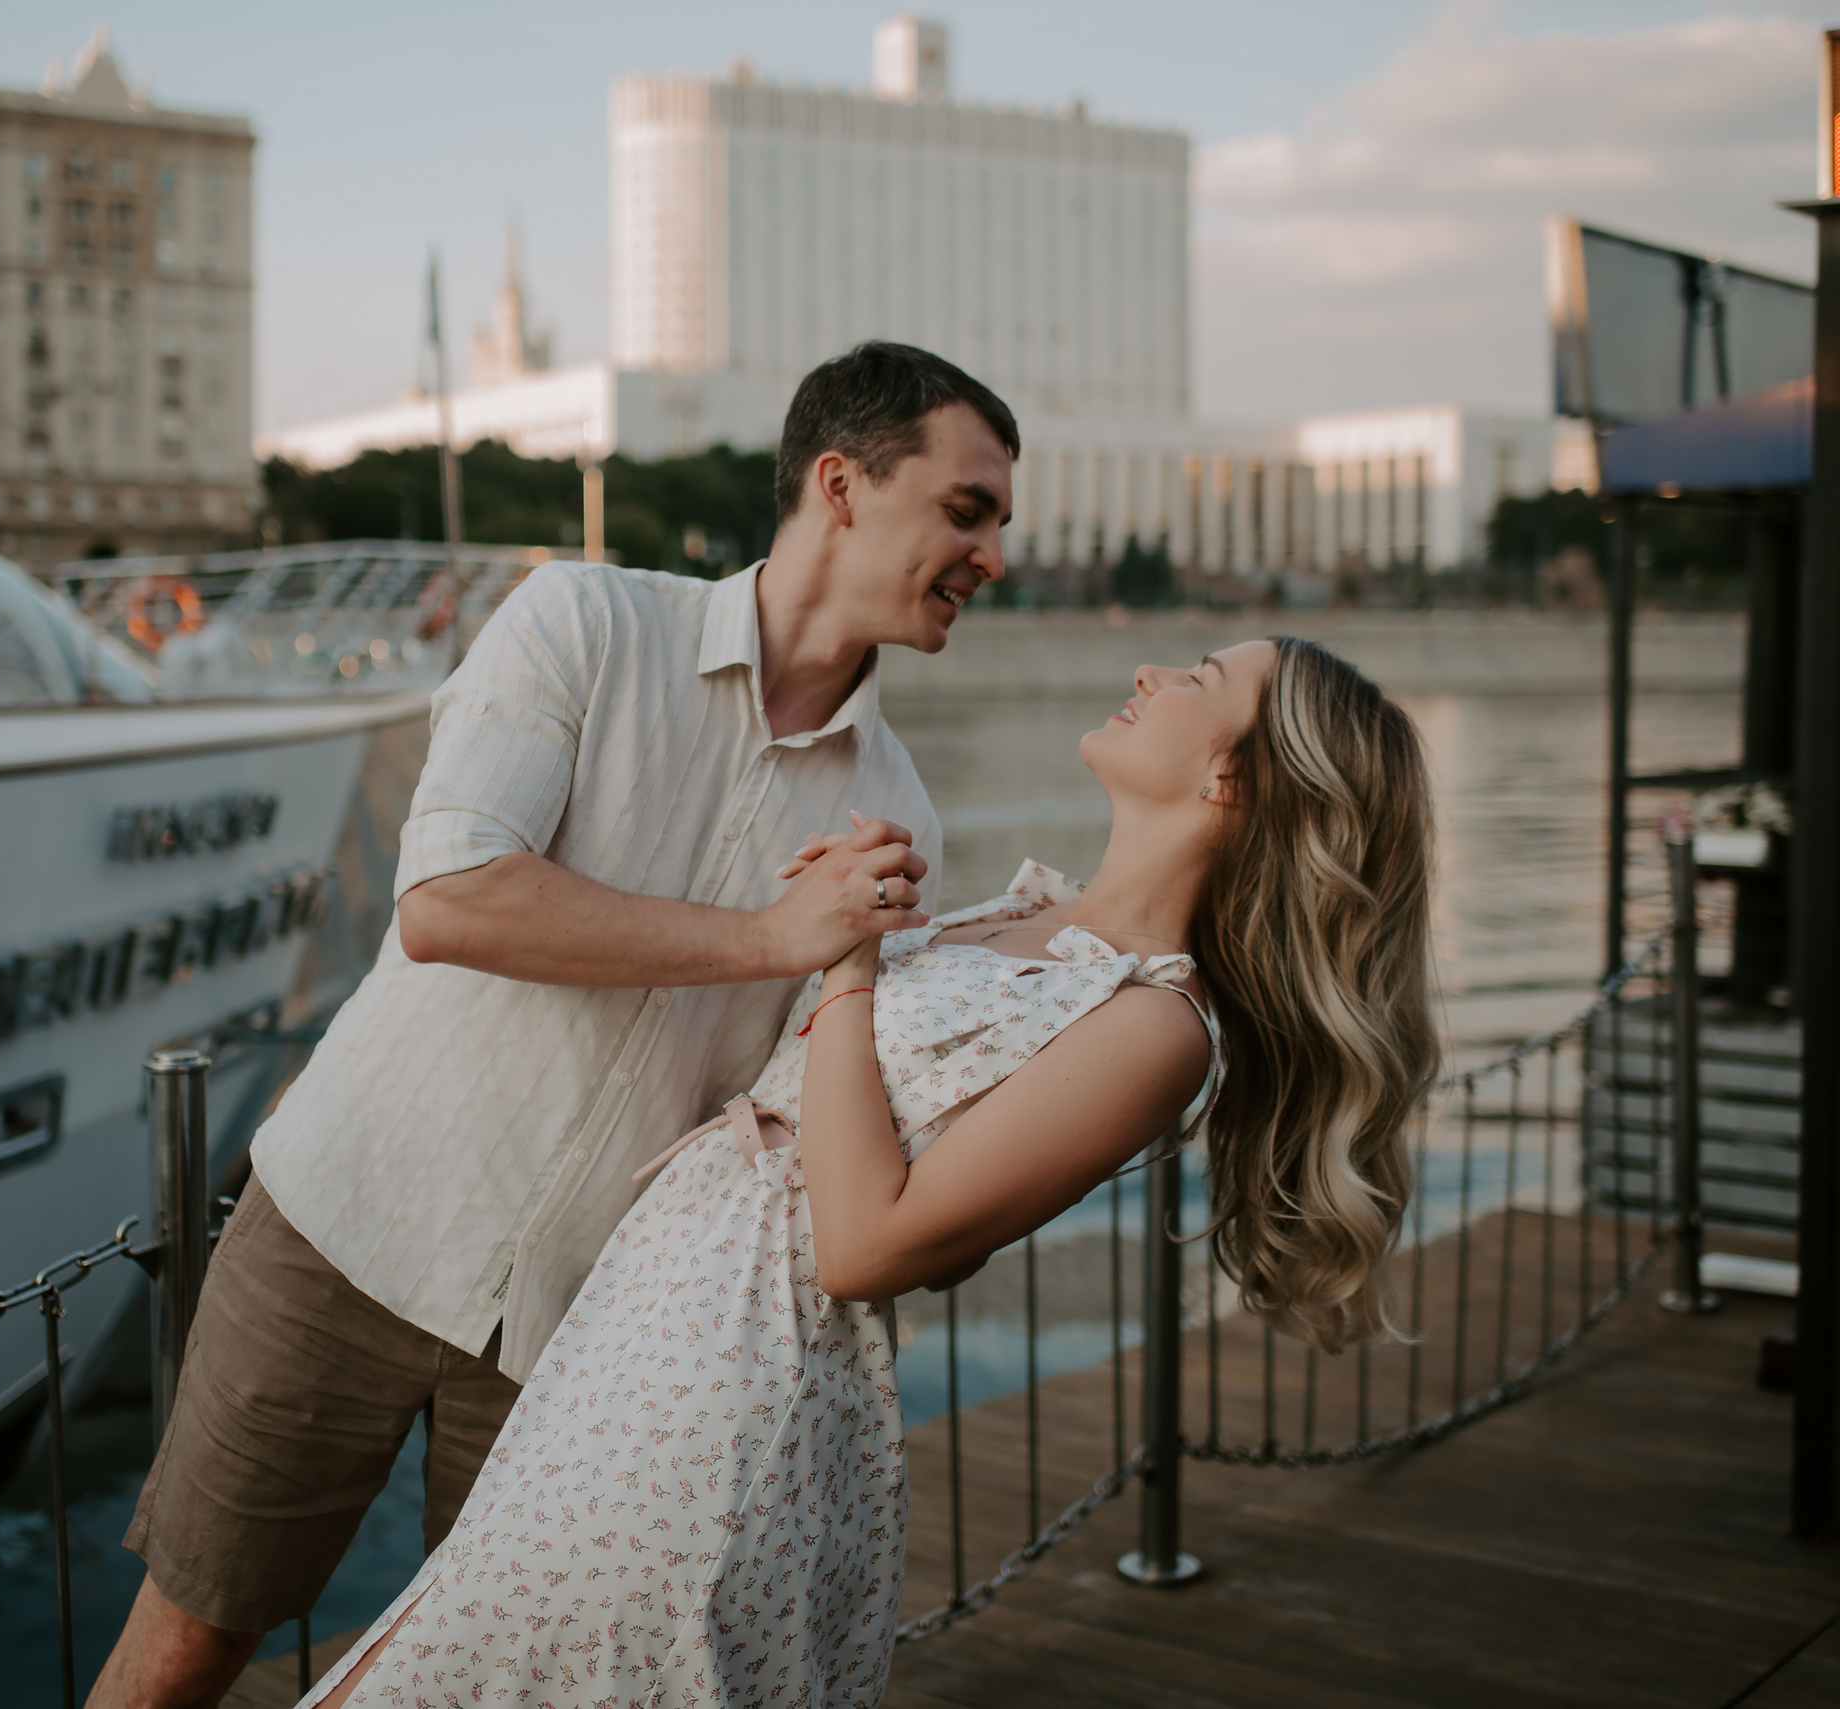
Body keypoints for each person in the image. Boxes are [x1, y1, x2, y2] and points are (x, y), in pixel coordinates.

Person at [88, 342, 1020, 1709]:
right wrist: (776, 940)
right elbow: (454, 899)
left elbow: (799, 1115)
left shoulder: (901, 815)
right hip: (353, 1228)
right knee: (186, 1644)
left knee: (514, 1689)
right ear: (840, 484)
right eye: (967, 509)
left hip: (589, 1334)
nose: (994, 553)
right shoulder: (583, 621)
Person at [302, 635, 1439, 1708]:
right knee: (448, 1650)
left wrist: (845, 963)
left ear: (1230, 780)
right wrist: (844, 909)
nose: (1151, 670)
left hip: (741, 1379)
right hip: (650, 1320)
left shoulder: (1156, 1022)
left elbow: (866, 1245)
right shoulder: (1029, 913)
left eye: (1195, 675)